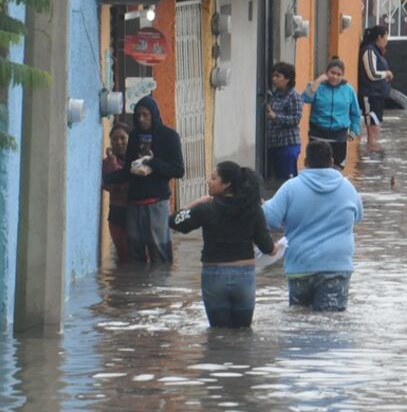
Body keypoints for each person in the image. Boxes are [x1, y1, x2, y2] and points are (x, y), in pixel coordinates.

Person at [169, 162, 277, 328]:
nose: (208, 181)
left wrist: (197, 203)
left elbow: (175, 222)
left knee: (218, 334)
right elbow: (267, 247)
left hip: (214, 277)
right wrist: (276, 248)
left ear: (226, 184)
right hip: (244, 278)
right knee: (243, 333)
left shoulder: (206, 209)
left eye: (213, 178)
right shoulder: (253, 209)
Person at [264, 141, 363, 312]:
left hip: (300, 266)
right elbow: (358, 218)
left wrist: (263, 206)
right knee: (332, 324)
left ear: (305, 162)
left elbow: (271, 219)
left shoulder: (290, 188)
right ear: (332, 161)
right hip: (337, 267)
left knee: (300, 322)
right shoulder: (348, 188)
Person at [102, 95, 185, 263]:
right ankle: (138, 288)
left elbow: (178, 170)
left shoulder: (169, 136)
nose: (141, 119)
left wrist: (153, 162)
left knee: (160, 253)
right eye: (138, 115)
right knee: (135, 255)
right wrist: (106, 179)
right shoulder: (134, 136)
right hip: (134, 205)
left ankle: (159, 289)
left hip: (157, 203)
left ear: (154, 114)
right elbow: (127, 171)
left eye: (145, 115)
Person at [304, 59, 361, 169]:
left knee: (337, 168)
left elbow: (355, 113)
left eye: (339, 74)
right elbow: (306, 99)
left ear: (343, 75)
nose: (335, 77)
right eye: (332, 73)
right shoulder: (315, 86)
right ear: (326, 72)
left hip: (338, 136)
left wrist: (354, 130)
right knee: (315, 167)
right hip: (317, 134)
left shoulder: (349, 90)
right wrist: (318, 81)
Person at [266, 62, 302, 181]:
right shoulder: (274, 95)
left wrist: (276, 117)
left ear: (287, 79)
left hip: (288, 144)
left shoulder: (293, 96)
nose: (274, 79)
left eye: (278, 76)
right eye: (273, 76)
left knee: (288, 179)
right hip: (274, 144)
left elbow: (296, 118)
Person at [358, 25, 393, 148]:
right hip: (370, 94)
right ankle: (371, 154)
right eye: (386, 37)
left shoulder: (377, 52)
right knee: (372, 129)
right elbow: (371, 74)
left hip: (378, 95)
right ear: (379, 37)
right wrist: (386, 74)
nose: (387, 40)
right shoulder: (369, 51)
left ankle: (374, 156)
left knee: (376, 127)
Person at [101, 124, 131, 263]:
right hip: (117, 216)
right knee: (123, 257)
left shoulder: (137, 160)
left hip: (136, 214)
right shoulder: (107, 162)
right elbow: (111, 185)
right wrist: (113, 160)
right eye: (114, 139)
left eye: (122, 138)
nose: (118, 142)